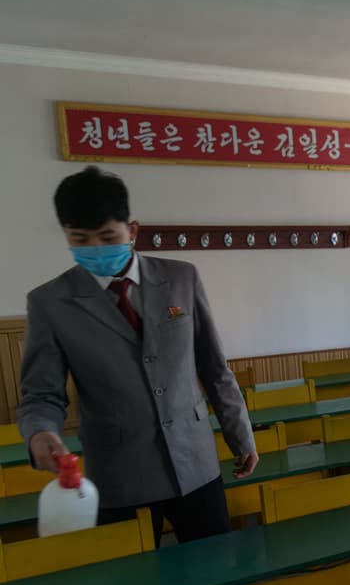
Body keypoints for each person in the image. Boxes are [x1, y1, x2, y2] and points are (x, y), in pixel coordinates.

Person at [18, 166, 258, 545]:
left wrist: (240, 434)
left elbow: (214, 368)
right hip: (118, 474)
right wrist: (41, 433)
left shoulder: (181, 278)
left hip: (195, 463)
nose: (95, 248)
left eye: (107, 236)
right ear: (65, 236)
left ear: (132, 230)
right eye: (80, 239)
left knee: (213, 572)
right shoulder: (50, 303)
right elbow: (41, 394)